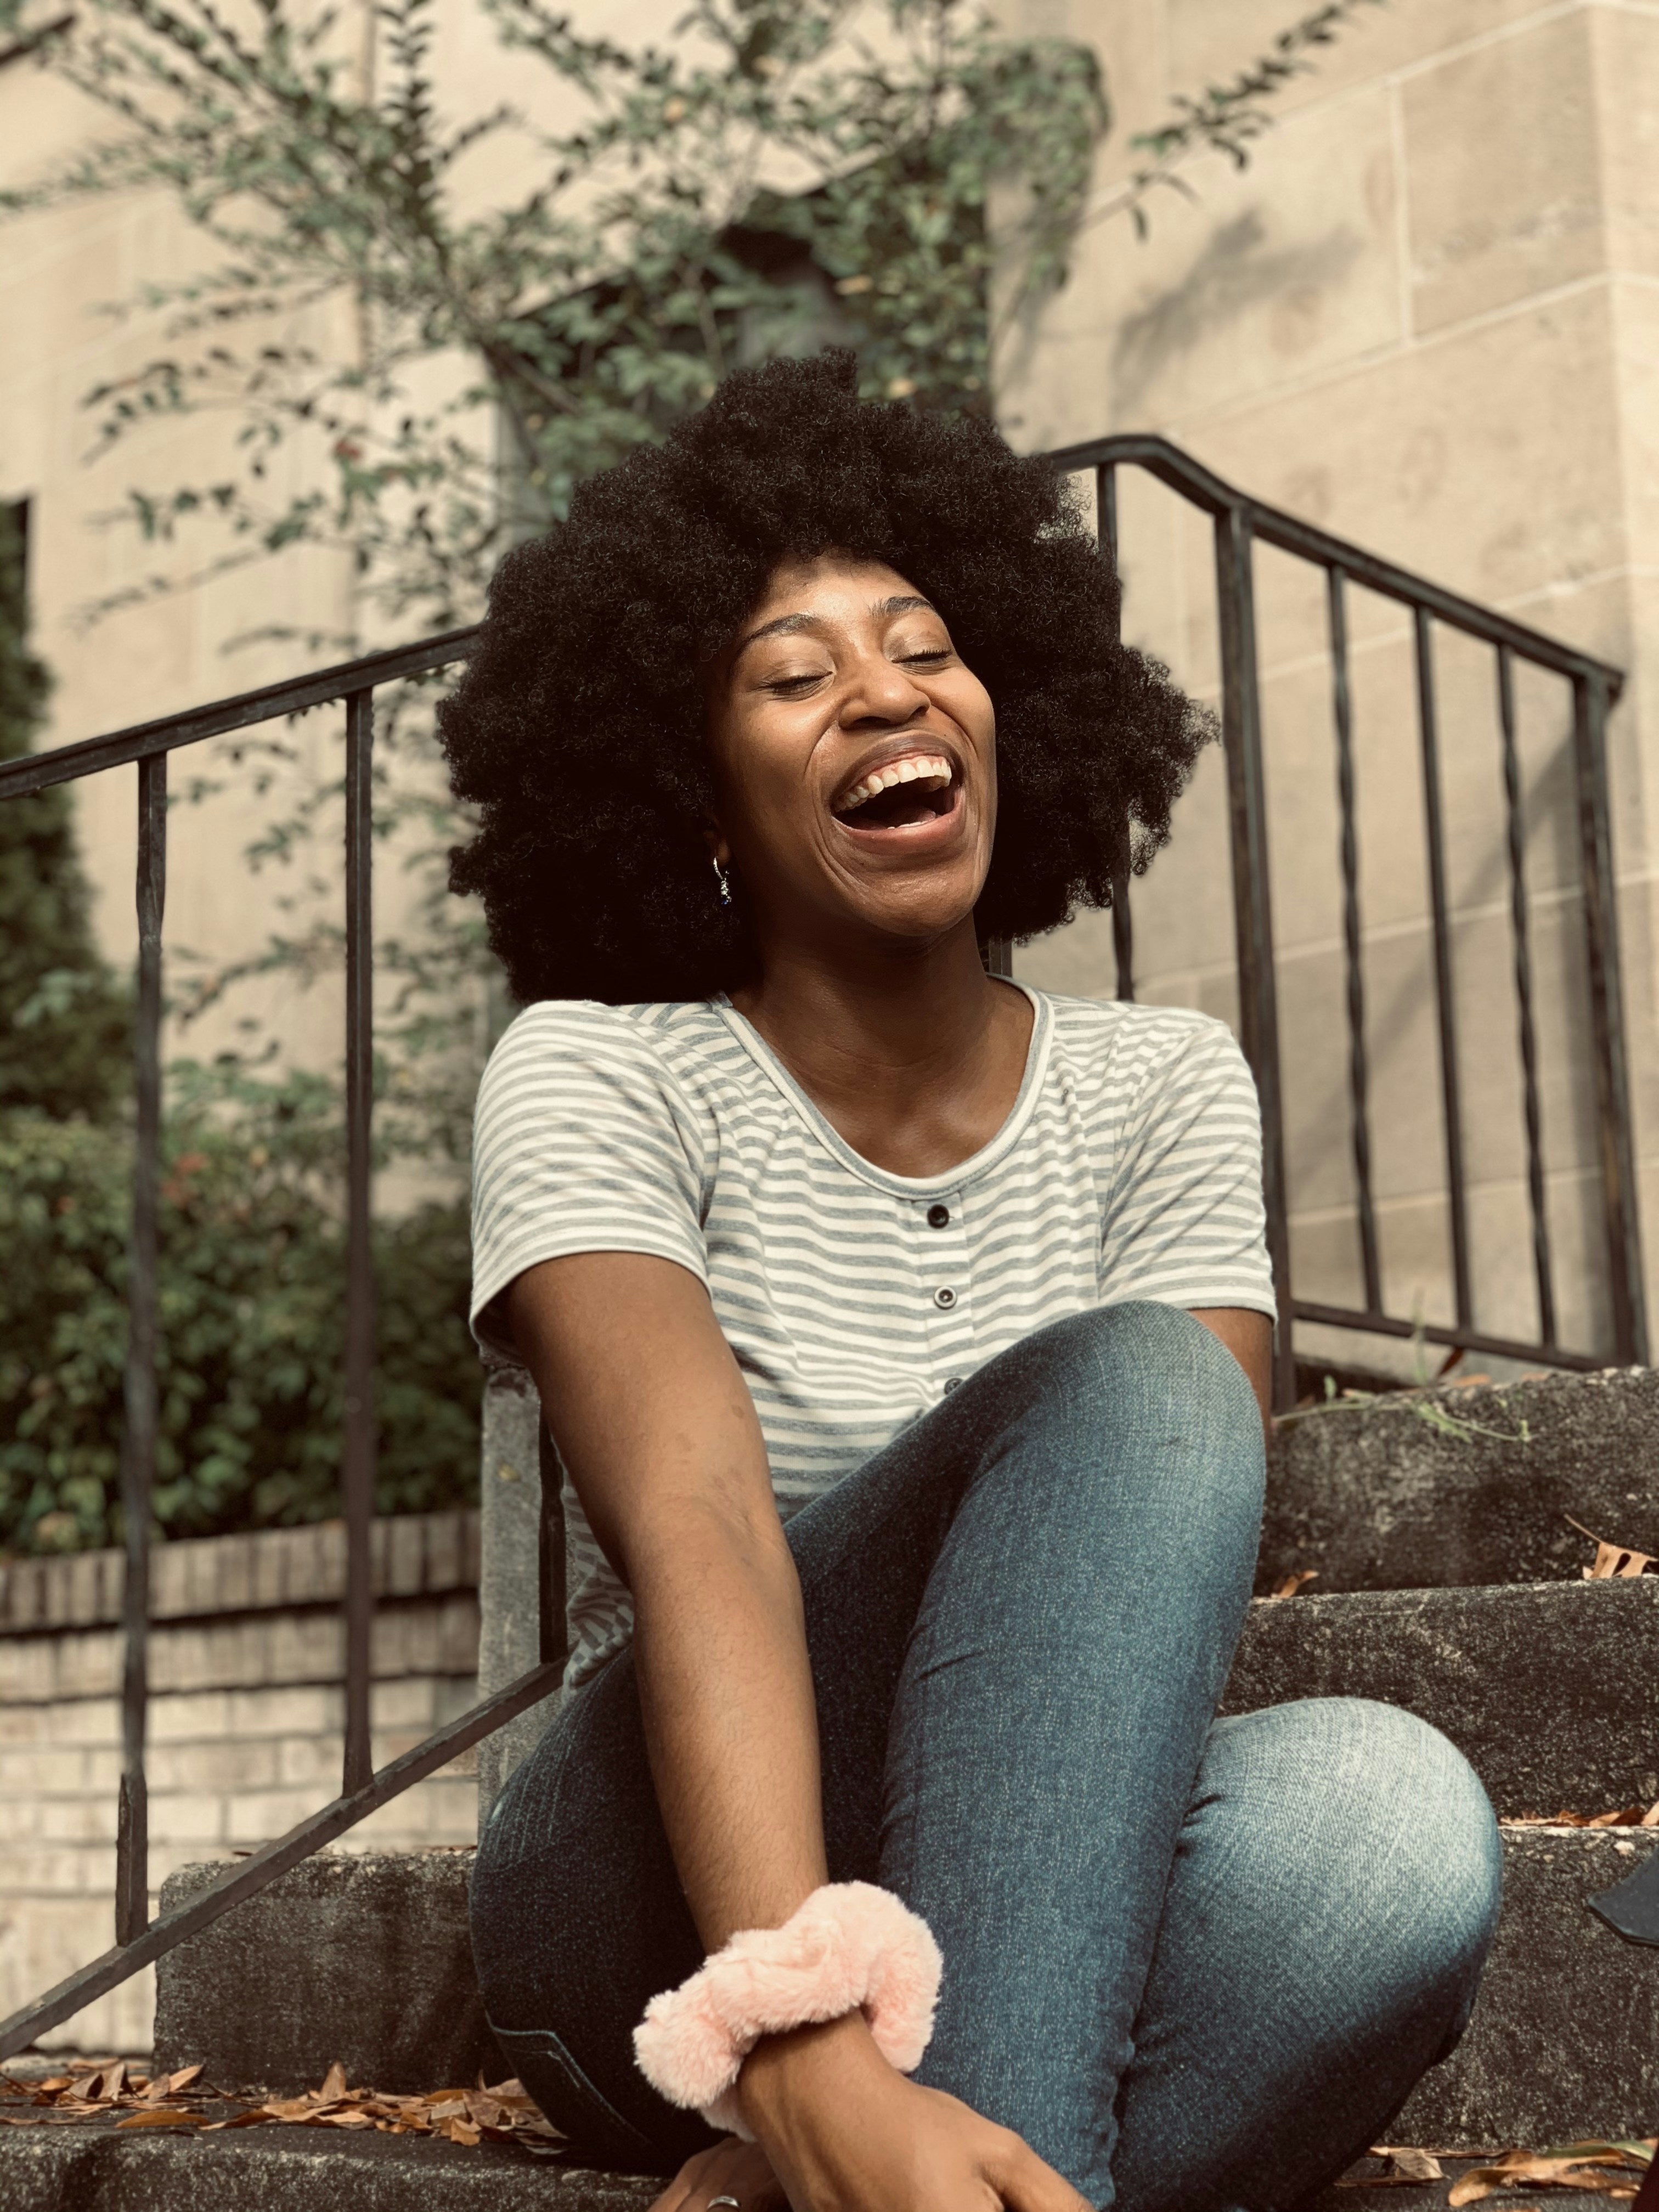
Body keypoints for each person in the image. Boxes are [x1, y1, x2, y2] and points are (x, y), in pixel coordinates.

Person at [441, 351, 1501, 2212]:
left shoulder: (1163, 1083)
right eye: (792, 674)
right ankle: (822, 2121)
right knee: (1149, 1380)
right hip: (663, 1905)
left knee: (1393, 1829)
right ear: (692, 801)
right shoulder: (599, 1070)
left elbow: (1134, 1623)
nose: (882, 691)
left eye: (926, 645)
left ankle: (877, 2176)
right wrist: (795, 2030)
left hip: (1027, 1860)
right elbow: (698, 1534)